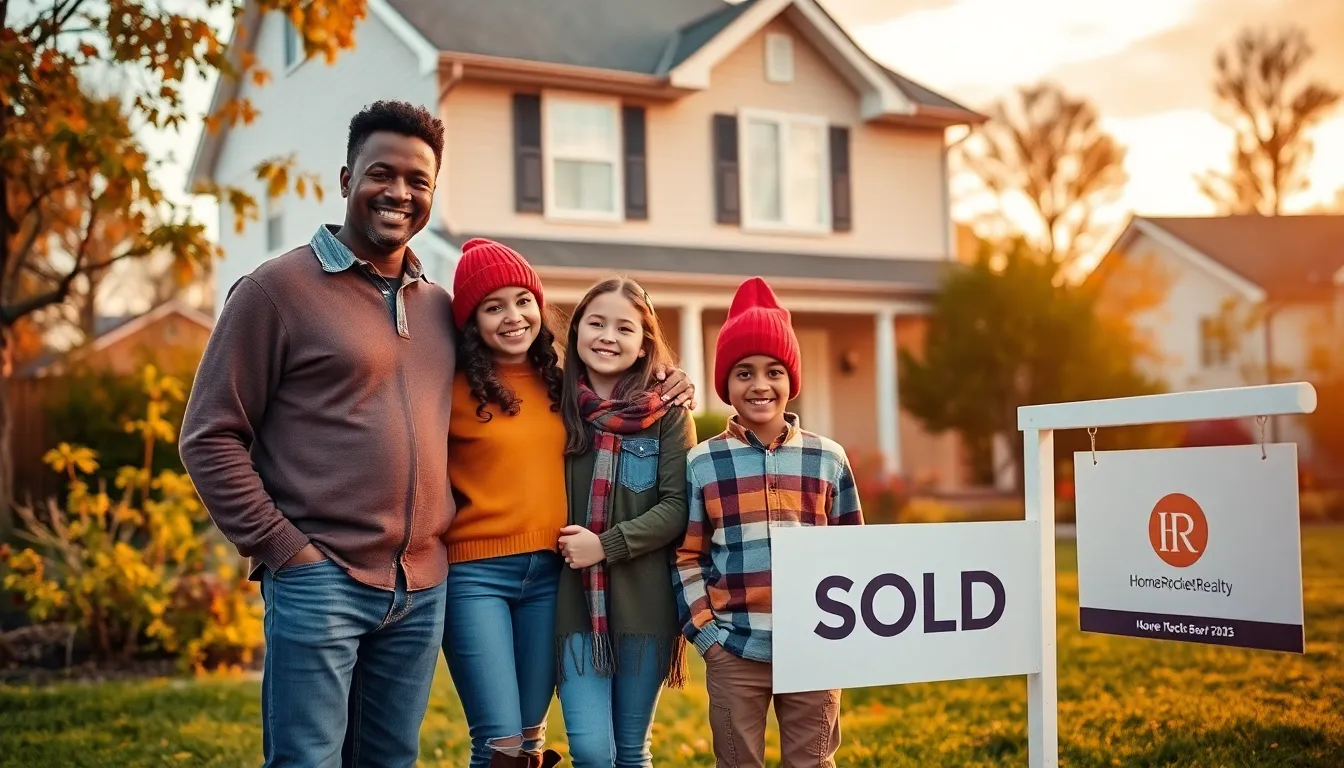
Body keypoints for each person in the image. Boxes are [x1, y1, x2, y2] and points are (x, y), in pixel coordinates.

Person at [179, 100, 453, 767]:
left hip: (420, 586)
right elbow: (208, 436)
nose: (399, 192)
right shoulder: (275, 291)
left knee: (390, 760)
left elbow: (523, 389)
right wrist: (285, 550)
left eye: (418, 181)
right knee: (307, 760)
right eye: (381, 173)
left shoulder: (442, 308)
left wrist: (652, 386)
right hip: (320, 579)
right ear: (344, 179)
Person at [442, 244, 695, 768]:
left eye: (522, 302)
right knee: (505, 744)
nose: (513, 317)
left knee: (536, 740)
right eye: (493, 307)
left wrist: (674, 381)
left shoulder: (570, 391)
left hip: (564, 583)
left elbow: (674, 499)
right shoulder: (459, 387)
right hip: (494, 577)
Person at [673, 276, 865, 768]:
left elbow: (854, 553)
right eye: (744, 373)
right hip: (735, 646)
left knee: (812, 762)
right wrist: (706, 635)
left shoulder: (828, 458)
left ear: (791, 380)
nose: (760, 385)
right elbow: (687, 555)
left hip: (816, 646)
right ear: (726, 385)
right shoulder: (703, 463)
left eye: (773, 371)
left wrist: (846, 636)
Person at [553, 277, 696, 767]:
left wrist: (606, 545)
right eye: (595, 323)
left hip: (645, 609)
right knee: (591, 751)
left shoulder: (670, 414)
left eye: (623, 327)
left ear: (643, 345)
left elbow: (678, 506)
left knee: (632, 753)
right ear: (575, 334)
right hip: (574, 610)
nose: (607, 336)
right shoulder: (557, 405)